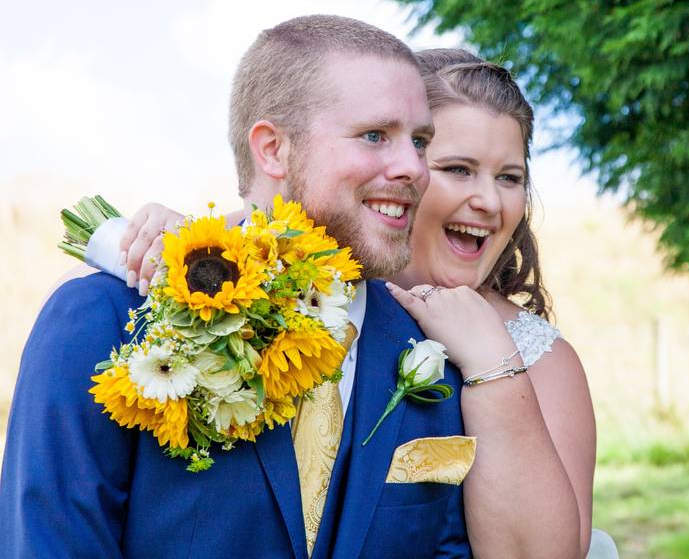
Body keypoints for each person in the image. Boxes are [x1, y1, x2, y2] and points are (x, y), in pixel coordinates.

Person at [0, 16, 472, 558]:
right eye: (375, 136)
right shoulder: (106, 319)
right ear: (272, 150)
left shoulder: (435, 355)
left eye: (420, 141)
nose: (415, 167)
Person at [121, 50, 599, 558]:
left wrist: (493, 365)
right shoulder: (285, 291)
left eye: (509, 177)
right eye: (458, 169)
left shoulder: (540, 357)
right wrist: (175, 244)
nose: (489, 201)